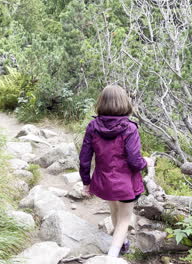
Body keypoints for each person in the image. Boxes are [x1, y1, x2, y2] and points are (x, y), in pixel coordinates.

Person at [79, 84, 153, 258]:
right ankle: (112, 257)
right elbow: (135, 161)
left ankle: (123, 244)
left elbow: (84, 158)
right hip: (126, 184)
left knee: (114, 211)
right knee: (125, 219)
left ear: (102, 102)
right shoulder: (130, 128)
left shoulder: (93, 126)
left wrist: (86, 182)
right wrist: (146, 162)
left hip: (104, 182)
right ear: (124, 102)